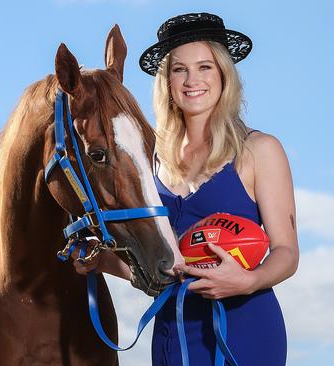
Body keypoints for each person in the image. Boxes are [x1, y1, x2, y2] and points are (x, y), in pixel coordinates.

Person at [74, 12, 298, 366]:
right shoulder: (150, 161)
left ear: (223, 74)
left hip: (245, 327)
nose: (192, 80)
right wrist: (100, 260)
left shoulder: (260, 150)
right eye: (179, 69)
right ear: (166, 81)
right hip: (173, 332)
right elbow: (162, 265)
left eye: (205, 67)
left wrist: (248, 281)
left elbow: (287, 253)